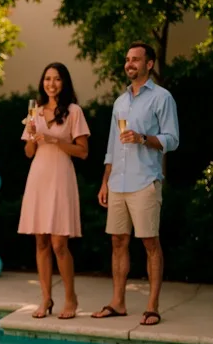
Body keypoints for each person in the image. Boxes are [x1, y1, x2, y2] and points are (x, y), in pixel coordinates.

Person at [93, 42, 180, 326]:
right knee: (118, 241)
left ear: (149, 64)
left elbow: (172, 139)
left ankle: (152, 306)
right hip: (117, 181)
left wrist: (142, 138)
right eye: (127, 59)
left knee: (150, 242)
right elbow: (111, 146)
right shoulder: (120, 102)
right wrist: (105, 182)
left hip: (145, 181)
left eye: (135, 59)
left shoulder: (162, 98)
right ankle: (118, 302)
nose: (129, 64)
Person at [19, 62, 90, 320]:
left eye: (57, 79)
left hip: (61, 178)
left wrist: (55, 140)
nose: (51, 83)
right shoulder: (35, 112)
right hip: (38, 177)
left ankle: (71, 298)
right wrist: (32, 134)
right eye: (47, 78)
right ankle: (46, 298)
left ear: (64, 82)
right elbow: (29, 153)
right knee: (41, 241)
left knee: (59, 243)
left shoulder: (74, 111)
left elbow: (83, 152)